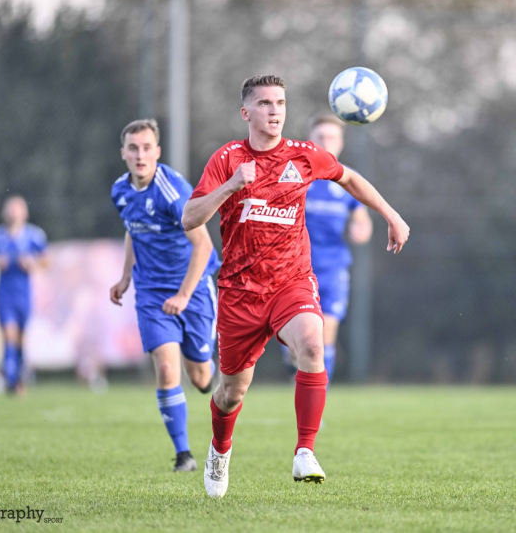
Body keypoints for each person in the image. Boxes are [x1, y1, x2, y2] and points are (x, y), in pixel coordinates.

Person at [182, 75, 409, 498]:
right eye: (265, 103)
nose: (275, 111)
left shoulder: (304, 156)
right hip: (239, 291)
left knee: (313, 342)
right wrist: (232, 186)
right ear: (246, 112)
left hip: (291, 281)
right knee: (232, 392)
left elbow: (349, 178)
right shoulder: (227, 158)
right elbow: (190, 218)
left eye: (281, 103)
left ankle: (305, 449)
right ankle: (220, 448)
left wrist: (391, 215)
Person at [110, 119, 221, 473]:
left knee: (202, 378)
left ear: (157, 152)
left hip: (193, 289)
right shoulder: (119, 190)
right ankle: (184, 455)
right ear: (123, 153)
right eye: (133, 148)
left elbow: (203, 245)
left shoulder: (173, 192)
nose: (140, 155)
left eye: (147, 148)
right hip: (152, 294)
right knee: (167, 367)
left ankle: (208, 369)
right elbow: (133, 230)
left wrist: (185, 295)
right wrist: (126, 275)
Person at [281, 113, 373, 380]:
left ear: (341, 142)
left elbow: (362, 221)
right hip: (294, 269)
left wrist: (361, 230)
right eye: (321, 137)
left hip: (333, 268)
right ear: (311, 141)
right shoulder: (295, 176)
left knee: (323, 339)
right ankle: (290, 352)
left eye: (332, 137)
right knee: (302, 343)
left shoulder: (347, 180)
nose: (326, 142)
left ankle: (317, 406)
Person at [0, 196, 48, 396]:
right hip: (5, 292)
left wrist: (32, 263)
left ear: (24, 213)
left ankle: (18, 376)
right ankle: (11, 379)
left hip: (24, 292)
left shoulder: (34, 235)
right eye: (10, 209)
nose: (13, 213)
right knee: (8, 334)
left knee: (20, 337)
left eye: (17, 209)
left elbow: (46, 261)